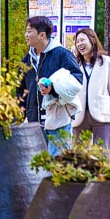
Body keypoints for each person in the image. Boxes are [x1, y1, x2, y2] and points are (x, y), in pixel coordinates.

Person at [20, 15, 83, 155]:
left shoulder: (62, 54)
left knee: (59, 165)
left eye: (29, 31)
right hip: (34, 122)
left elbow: (77, 80)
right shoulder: (26, 60)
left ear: (42, 35)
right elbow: (21, 90)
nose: (26, 35)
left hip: (58, 119)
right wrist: (18, 115)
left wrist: (53, 89)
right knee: (37, 166)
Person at [71, 28, 110, 151]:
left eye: (82, 40)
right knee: (78, 152)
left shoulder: (107, 62)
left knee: (103, 151)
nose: (80, 44)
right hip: (80, 113)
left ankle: (103, 171)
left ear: (93, 40)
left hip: (101, 112)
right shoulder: (74, 64)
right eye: (77, 41)